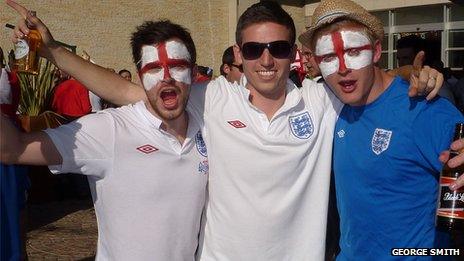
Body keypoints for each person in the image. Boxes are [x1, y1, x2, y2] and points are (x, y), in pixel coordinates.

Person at [6, 0, 452, 259]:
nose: (265, 59)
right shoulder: (213, 97)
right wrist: (53, 53)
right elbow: (128, 90)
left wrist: (414, 75)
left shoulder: (320, 99)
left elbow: (364, 82)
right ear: (239, 53)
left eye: (277, 47)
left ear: (293, 53)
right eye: (254, 48)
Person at [1, 18, 208, 260]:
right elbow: (13, 150)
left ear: (194, 74)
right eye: (153, 69)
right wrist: (52, 50)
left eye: (177, 66)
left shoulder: (206, 117)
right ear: (140, 77)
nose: (166, 77)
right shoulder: (109, 130)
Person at [299, 0, 464, 259]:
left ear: (376, 52)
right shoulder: (329, 104)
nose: (343, 68)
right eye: (330, 57)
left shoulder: (424, 109)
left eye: (354, 51)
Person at [0, 46, 29, 261]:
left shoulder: (7, 78)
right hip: (10, 139)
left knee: (9, 203)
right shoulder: (10, 77)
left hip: (5, 144)